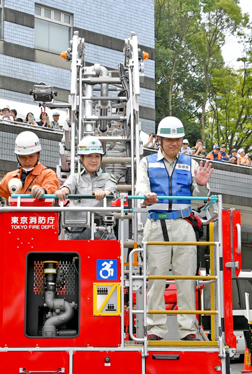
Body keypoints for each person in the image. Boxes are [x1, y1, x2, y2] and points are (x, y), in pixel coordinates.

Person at [135, 116, 213, 341]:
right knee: (156, 278)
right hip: (156, 223)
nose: (173, 143)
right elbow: (141, 186)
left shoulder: (191, 163)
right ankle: (155, 330)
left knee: (186, 279)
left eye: (177, 139)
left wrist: (200, 186)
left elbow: (200, 202)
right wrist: (145, 196)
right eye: (169, 139)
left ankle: (188, 330)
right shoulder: (147, 162)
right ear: (159, 139)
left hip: (183, 223)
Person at [55, 136, 118, 240]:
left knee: (109, 255)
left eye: (97, 156)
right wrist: (63, 191)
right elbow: (68, 187)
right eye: (89, 156)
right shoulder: (75, 177)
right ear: (81, 157)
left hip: (103, 230)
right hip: (78, 230)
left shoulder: (108, 177)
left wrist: (103, 193)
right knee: (75, 255)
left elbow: (110, 189)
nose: (94, 160)